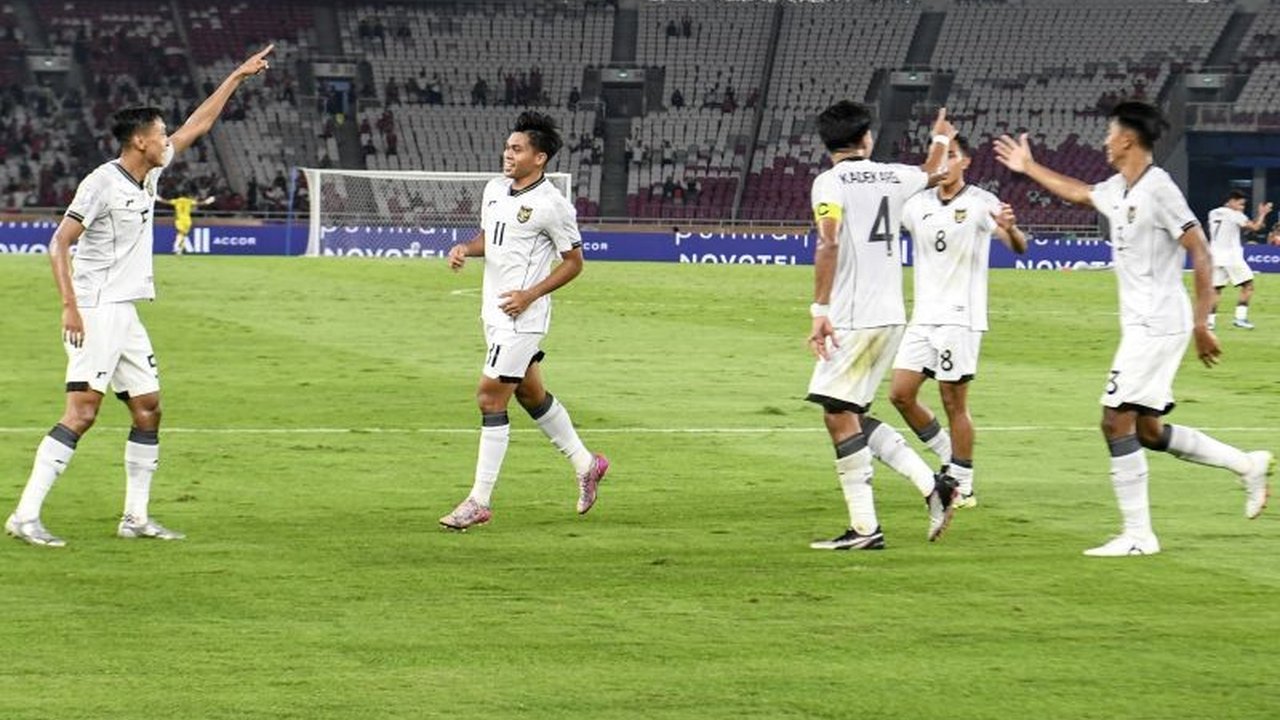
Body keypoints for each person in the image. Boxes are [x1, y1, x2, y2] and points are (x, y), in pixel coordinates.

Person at [5, 45, 274, 548]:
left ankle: (135, 517)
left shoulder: (148, 171)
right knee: (82, 413)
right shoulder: (100, 184)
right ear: (138, 140)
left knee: (148, 407)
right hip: (95, 308)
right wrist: (70, 306)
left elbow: (197, 126)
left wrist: (236, 76)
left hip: (124, 311)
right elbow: (58, 243)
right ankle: (25, 515)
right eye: (158, 134)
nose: (166, 139)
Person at [994, 101, 1273, 557]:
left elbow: (1199, 250)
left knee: (1112, 419)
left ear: (1127, 139)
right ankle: (1246, 464)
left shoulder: (1159, 189)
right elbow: (1080, 192)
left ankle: (1139, 535)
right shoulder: (1119, 188)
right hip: (1143, 325)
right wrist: (1029, 166)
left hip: (1159, 324)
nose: (1104, 140)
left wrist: (1203, 322)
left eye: (1109, 132)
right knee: (1145, 431)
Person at [440, 111, 609, 530]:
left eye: (517, 149)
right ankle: (587, 464)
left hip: (523, 319)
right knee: (532, 395)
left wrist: (530, 294)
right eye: (507, 147)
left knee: (489, 398)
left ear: (540, 157)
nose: (507, 154)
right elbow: (492, 239)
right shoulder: (495, 189)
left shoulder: (553, 205)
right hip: (493, 314)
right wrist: (465, 248)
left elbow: (574, 263)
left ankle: (479, 500)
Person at [805, 101, 961, 551]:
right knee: (849, 413)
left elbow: (828, 240)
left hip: (856, 316)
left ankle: (867, 528)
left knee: (837, 414)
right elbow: (935, 171)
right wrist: (940, 136)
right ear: (866, 139)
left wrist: (820, 309)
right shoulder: (893, 174)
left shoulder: (829, 183)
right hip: (891, 312)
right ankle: (932, 488)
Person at [889, 135, 1027, 509]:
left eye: (953, 155)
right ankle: (950, 455)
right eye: (940, 155)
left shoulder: (982, 203)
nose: (945, 162)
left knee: (953, 402)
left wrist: (1011, 228)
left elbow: (1018, 245)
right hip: (923, 318)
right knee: (900, 394)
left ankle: (963, 486)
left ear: (965, 161)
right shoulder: (916, 204)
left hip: (959, 319)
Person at [1206, 189, 1271, 330]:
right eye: (1241, 204)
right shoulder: (1235, 214)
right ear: (1231, 201)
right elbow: (1255, 227)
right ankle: (1240, 319)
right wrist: (1263, 214)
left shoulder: (1213, 213)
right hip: (1232, 257)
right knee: (1248, 285)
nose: (1242, 208)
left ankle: (1209, 323)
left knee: (1216, 289)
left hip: (1214, 257)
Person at [157, 190, 215, 255]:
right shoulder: (189, 201)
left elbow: (166, 202)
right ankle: (177, 248)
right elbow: (200, 204)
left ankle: (177, 248)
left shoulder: (177, 201)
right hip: (187, 220)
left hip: (179, 220)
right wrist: (208, 201)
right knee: (182, 234)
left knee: (181, 234)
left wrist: (158, 198)